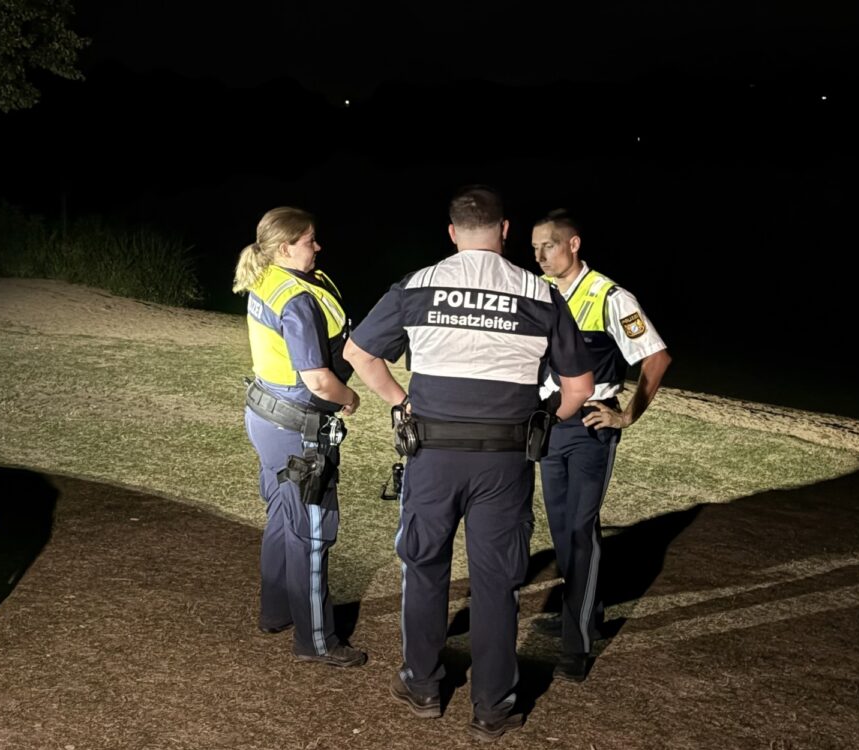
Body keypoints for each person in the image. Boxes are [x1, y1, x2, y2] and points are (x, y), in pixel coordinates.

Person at [344, 186, 593, 741]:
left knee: (424, 565)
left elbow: (359, 352)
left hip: (432, 453)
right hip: (505, 460)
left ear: (453, 233)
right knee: (497, 581)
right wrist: (544, 418)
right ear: (504, 231)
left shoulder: (418, 284)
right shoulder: (541, 293)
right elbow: (579, 386)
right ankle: (493, 707)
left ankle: (423, 683)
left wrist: (398, 401)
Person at [529, 208, 671, 681]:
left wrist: (626, 415)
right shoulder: (540, 291)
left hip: (591, 426)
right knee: (562, 528)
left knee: (581, 529)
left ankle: (578, 644)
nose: (539, 255)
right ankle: (582, 612)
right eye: (533, 248)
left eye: (547, 245)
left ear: (573, 244)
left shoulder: (610, 296)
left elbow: (656, 358)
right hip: (549, 424)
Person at [233, 206, 367, 668]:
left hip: (268, 417)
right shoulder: (297, 298)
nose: (318, 247)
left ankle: (276, 611)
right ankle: (317, 640)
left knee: (282, 514)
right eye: (310, 240)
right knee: (311, 528)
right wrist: (349, 398)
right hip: (297, 427)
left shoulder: (270, 278)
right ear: (285, 246)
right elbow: (317, 379)